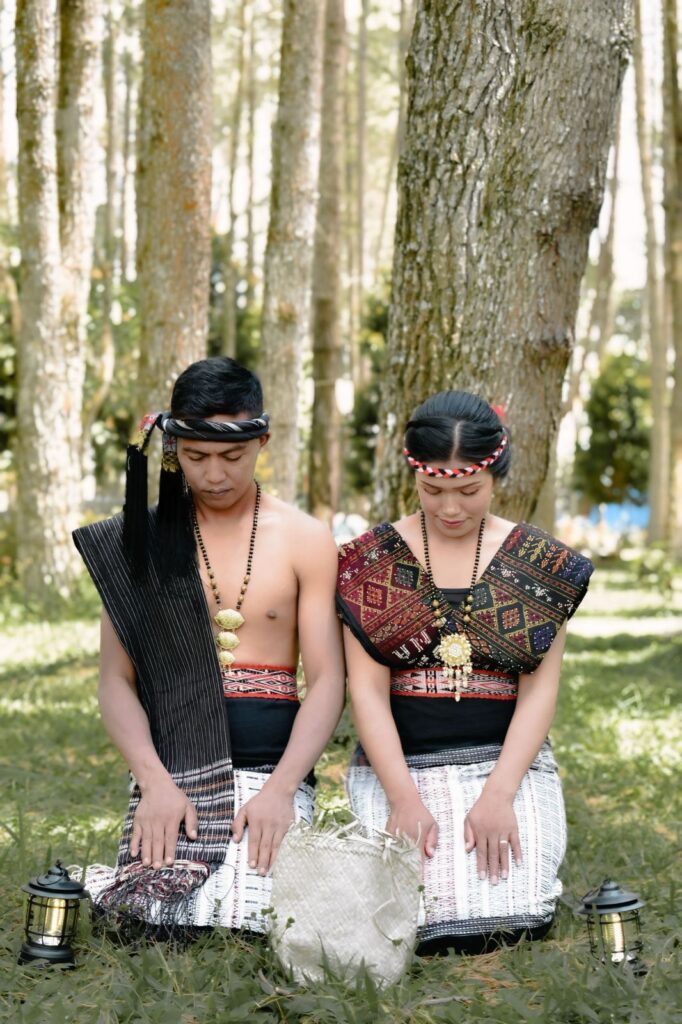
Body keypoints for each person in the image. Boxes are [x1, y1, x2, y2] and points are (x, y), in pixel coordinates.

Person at [73, 357, 345, 935]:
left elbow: (327, 682)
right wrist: (154, 783)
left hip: (271, 767)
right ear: (173, 447)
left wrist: (282, 790)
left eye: (232, 456)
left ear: (262, 441)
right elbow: (115, 681)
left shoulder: (306, 538)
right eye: (196, 457)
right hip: (174, 766)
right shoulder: (140, 539)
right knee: (152, 923)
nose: (214, 474)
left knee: (255, 923)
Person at [336, 391, 593, 955]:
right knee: (414, 921)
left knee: (516, 916)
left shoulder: (540, 564)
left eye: (468, 491)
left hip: (505, 765)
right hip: (400, 767)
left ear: (495, 475)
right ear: (414, 476)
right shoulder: (368, 561)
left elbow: (538, 695)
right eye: (433, 491)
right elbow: (368, 696)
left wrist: (500, 795)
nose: (450, 508)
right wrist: (403, 799)